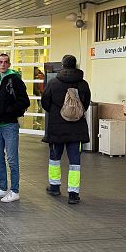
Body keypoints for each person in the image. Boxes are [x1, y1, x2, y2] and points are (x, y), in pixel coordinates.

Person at [41, 55, 91, 203]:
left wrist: (57, 112)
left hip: (56, 128)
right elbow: (86, 104)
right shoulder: (83, 84)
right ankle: (73, 194)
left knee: (55, 159)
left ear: (62, 65)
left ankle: (55, 188)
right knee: (75, 162)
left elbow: (45, 103)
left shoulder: (53, 83)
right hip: (77, 129)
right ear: (75, 65)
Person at [0, 53, 30, 203]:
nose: (3, 64)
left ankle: (15, 190)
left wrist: (10, 111)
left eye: (6, 62)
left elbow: (24, 101)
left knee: (12, 159)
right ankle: (3, 188)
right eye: (1, 62)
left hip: (10, 125)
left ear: (9, 64)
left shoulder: (15, 80)